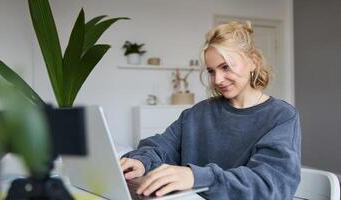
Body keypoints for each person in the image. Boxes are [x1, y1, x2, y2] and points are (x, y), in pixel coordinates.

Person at [120, 21, 301, 199]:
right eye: (211, 71)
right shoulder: (197, 113)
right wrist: (140, 161)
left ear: (253, 62)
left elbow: (268, 185)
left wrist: (196, 177)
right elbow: (161, 147)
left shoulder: (281, 117)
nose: (218, 80)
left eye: (225, 67)